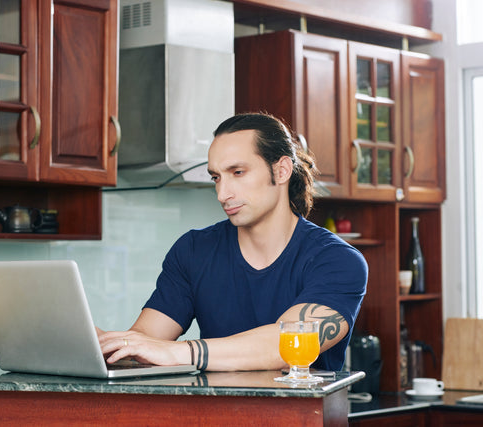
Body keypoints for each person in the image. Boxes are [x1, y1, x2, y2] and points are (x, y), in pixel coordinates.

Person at [98, 112, 368, 372]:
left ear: (282, 170)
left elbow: (286, 346)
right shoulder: (193, 251)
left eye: (237, 172)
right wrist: (106, 344)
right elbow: (146, 341)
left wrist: (176, 352)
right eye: (216, 177)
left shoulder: (337, 261)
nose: (222, 194)